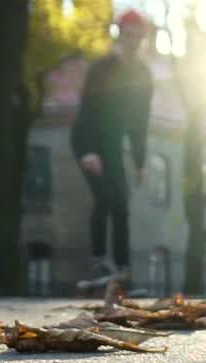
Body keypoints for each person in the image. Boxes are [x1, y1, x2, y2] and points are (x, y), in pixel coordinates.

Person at [71, 9, 154, 292]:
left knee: (122, 204)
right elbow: (86, 112)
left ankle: (122, 271)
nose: (133, 42)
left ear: (143, 39)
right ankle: (99, 261)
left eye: (138, 37)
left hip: (113, 147)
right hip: (88, 141)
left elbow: (140, 124)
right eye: (128, 36)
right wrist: (87, 151)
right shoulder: (102, 69)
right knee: (104, 196)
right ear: (120, 36)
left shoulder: (143, 75)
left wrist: (140, 161)